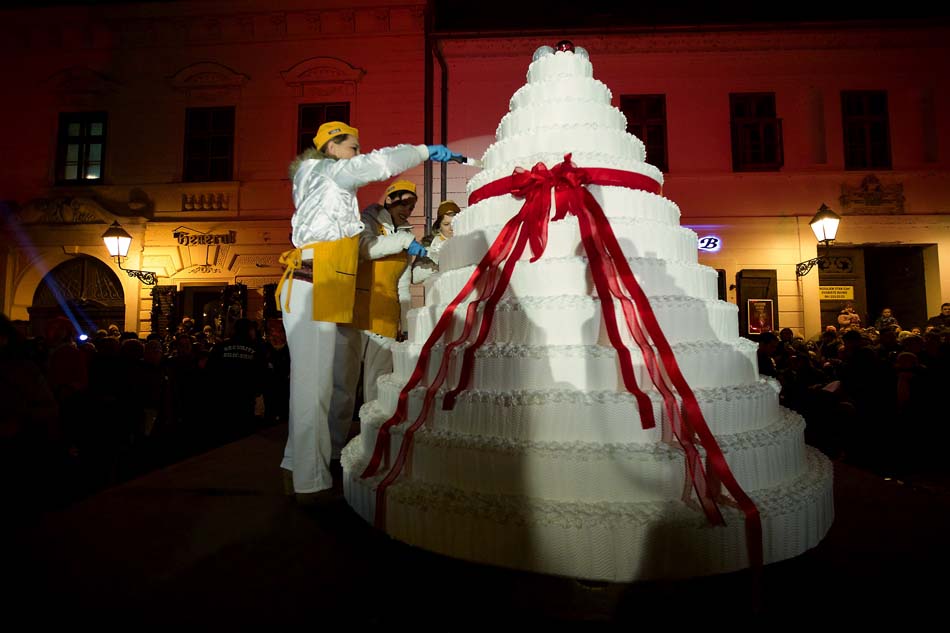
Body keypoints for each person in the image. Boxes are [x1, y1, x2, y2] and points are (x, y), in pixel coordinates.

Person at [276, 120, 460, 499]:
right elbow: (378, 164)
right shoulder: (329, 173)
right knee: (316, 389)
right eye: (353, 147)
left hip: (319, 284)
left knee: (314, 385)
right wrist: (425, 152)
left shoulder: (320, 182)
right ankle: (311, 484)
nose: (358, 154)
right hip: (314, 283)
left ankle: (295, 465)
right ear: (331, 147)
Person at [412, 199, 460, 284]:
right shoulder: (428, 245)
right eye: (446, 224)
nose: (451, 228)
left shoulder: (468, 241)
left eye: (454, 223)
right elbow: (415, 277)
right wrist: (440, 264)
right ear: (439, 226)